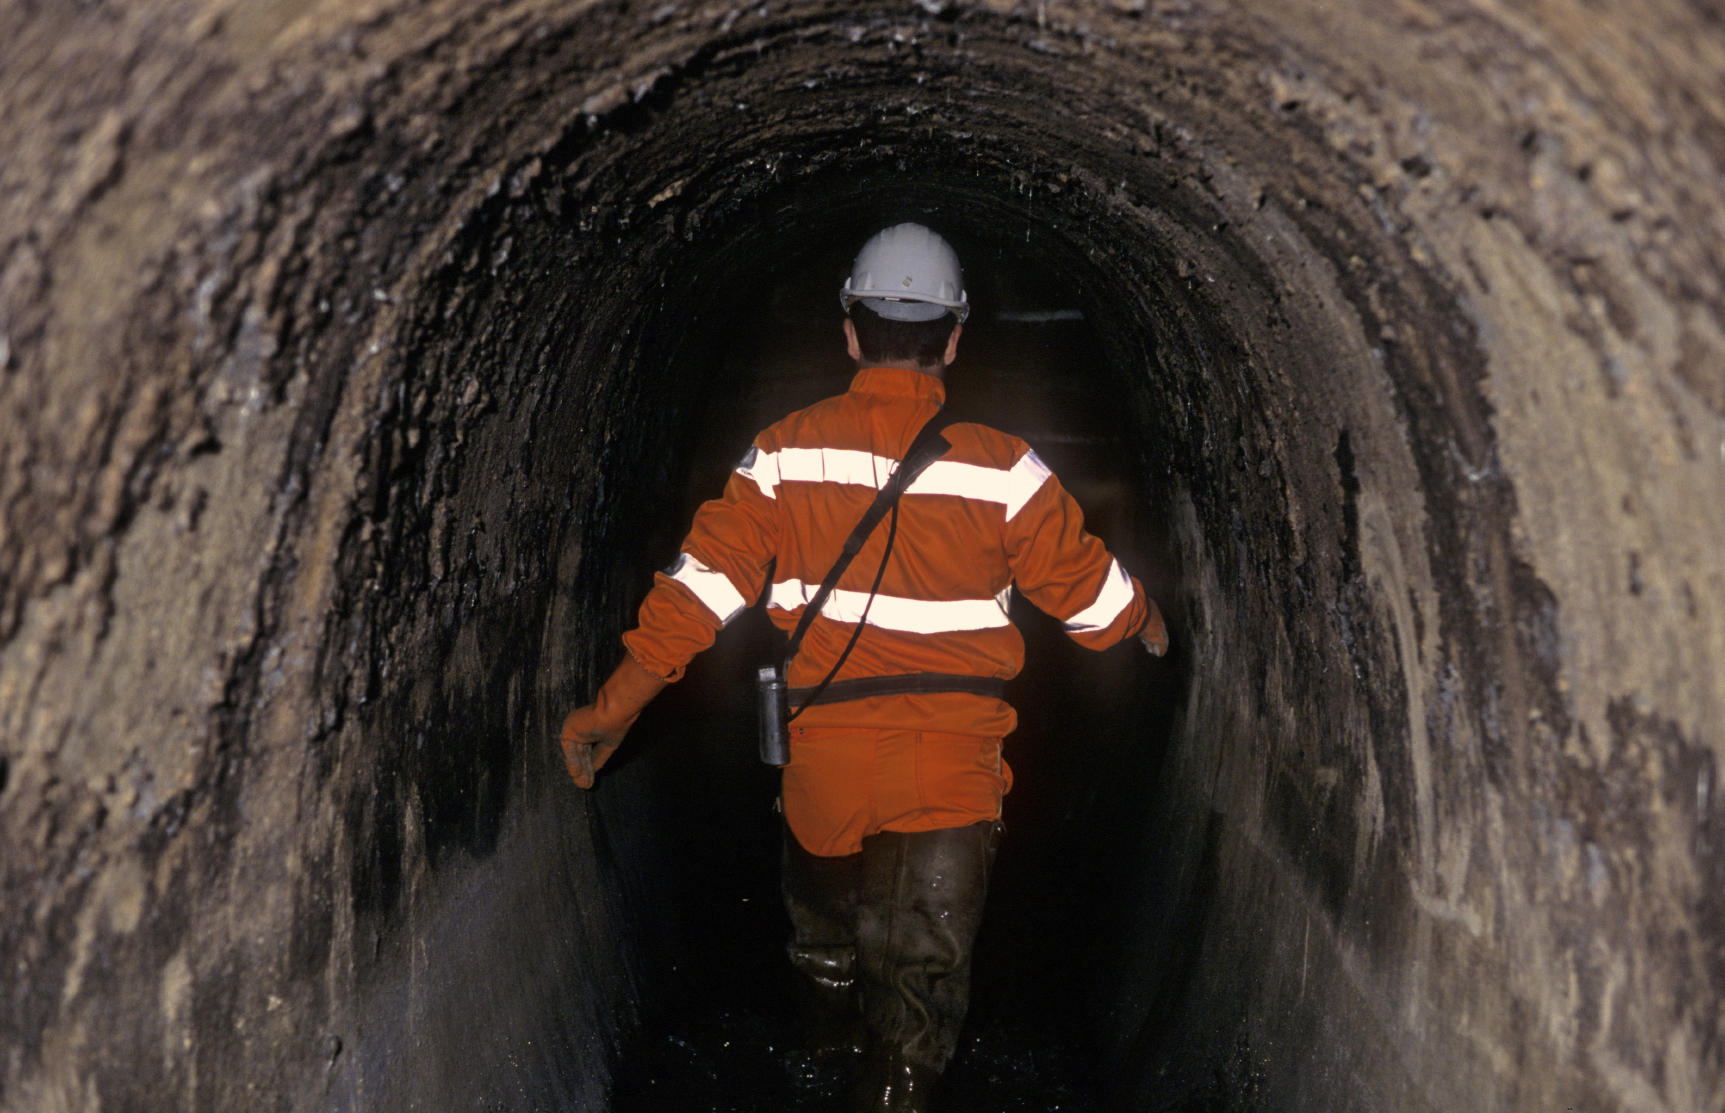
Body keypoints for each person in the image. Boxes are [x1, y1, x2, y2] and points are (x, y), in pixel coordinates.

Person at [558, 222, 1168, 1113]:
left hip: (824, 776)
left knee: (828, 967)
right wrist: (1150, 622)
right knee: (913, 1012)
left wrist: (610, 709)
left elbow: (695, 597)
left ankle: (821, 1056)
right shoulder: (1006, 469)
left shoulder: (783, 453)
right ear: (954, 338)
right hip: (948, 780)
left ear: (849, 329)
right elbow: (1095, 609)